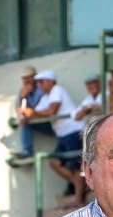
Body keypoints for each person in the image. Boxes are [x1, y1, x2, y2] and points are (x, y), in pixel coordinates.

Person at [27, 70, 87, 205]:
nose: (39, 85)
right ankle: (84, 185)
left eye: (41, 82)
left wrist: (31, 112)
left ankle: (78, 199)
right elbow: (37, 113)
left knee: (76, 167)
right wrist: (27, 112)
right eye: (37, 83)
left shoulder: (57, 90)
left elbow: (51, 111)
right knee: (54, 163)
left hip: (73, 131)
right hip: (62, 134)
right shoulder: (45, 97)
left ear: (50, 81)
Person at [13, 65, 48, 159]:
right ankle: (26, 151)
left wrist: (27, 113)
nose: (26, 81)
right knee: (25, 121)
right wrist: (22, 97)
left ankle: (27, 151)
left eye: (29, 78)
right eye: (24, 79)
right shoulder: (23, 91)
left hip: (49, 121)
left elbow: (38, 109)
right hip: (36, 121)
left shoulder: (41, 89)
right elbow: (18, 108)